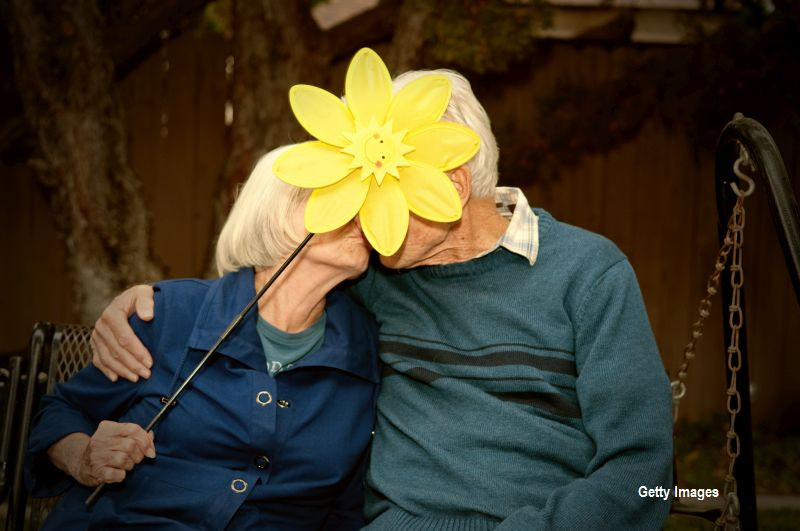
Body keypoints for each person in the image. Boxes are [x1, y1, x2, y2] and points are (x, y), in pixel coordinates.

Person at [91, 69, 674, 530]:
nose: (360, 213)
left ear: (450, 187)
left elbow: (647, 474)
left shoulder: (588, 273)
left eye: (380, 189)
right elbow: (266, 290)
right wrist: (145, 301)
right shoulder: (371, 275)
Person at [25, 145, 380, 530]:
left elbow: (345, 510)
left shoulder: (368, 350)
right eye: (333, 193)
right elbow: (60, 413)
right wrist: (84, 456)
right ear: (277, 215)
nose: (358, 210)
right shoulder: (169, 313)